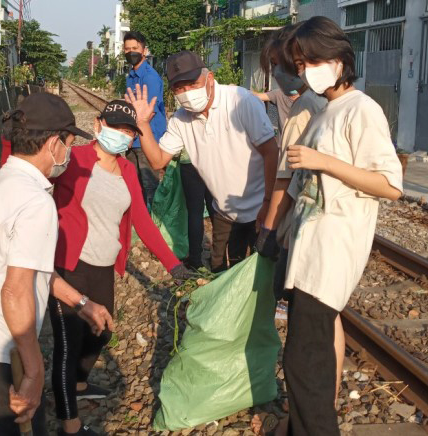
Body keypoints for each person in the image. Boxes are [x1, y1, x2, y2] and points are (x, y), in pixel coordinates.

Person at [0, 93, 114, 436]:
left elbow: (31, 267)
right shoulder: (35, 201)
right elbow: (15, 290)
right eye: (69, 143)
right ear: (54, 143)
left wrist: (80, 303)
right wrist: (34, 368)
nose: (68, 153)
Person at [275, 17, 404, 435]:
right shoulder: (325, 111)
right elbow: (301, 181)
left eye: (311, 60)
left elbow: (390, 185)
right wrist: (275, 229)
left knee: (304, 362)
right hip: (307, 252)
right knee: (303, 358)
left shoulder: (362, 109)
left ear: (338, 58)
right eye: (300, 64)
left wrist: (323, 162)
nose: (305, 70)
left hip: (332, 254)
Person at [45, 100, 194, 436]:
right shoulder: (74, 159)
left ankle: (78, 385)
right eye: (117, 127)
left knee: (104, 331)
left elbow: (142, 221)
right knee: (67, 344)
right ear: (99, 125)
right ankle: (69, 425)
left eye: (129, 131)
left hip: (102, 265)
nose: (123, 135)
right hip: (68, 263)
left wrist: (174, 266)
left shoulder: (128, 170)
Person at [126, 51, 279, 273]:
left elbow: (270, 152)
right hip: (224, 211)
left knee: (263, 272)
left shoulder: (240, 101)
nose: (187, 93)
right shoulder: (181, 119)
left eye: (192, 84)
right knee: (224, 269)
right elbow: (158, 161)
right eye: (179, 88)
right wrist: (142, 123)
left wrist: (268, 203)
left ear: (209, 78)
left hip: (259, 208)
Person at [254, 24, 327, 300]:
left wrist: (270, 228)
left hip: (301, 217)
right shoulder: (321, 101)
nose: (276, 73)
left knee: (302, 300)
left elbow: (285, 177)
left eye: (276, 64)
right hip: (317, 213)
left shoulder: (303, 108)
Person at [124, 30, 166, 207]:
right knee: (133, 184)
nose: (131, 52)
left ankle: (153, 224)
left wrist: (133, 134)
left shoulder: (150, 77)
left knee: (150, 186)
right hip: (132, 140)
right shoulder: (131, 76)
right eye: (127, 49)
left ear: (144, 51)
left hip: (147, 139)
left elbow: (150, 112)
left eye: (135, 48)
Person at [179, 149, 214, 269]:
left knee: (195, 212)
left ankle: (195, 260)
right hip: (213, 161)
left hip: (190, 163)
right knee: (216, 210)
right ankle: (220, 259)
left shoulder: (184, 128)